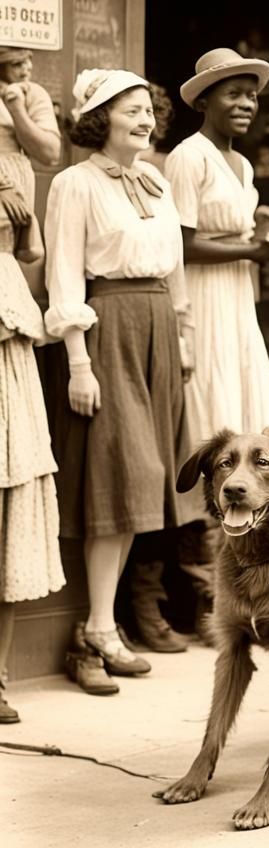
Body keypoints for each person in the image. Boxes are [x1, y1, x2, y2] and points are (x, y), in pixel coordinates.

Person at [44, 69, 195, 694]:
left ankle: (105, 624)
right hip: (108, 330)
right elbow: (63, 275)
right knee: (120, 476)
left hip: (159, 330)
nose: (144, 120)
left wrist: (182, 341)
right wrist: (79, 361)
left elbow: (176, 268)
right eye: (130, 110)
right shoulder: (74, 184)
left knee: (150, 480)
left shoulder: (156, 180)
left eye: (148, 109)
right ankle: (99, 628)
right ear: (100, 119)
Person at [165, 48, 269, 443]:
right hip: (202, 293)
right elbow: (180, 244)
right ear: (204, 101)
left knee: (240, 381)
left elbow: (237, 232)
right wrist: (252, 252)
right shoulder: (188, 156)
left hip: (237, 290)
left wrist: (264, 240)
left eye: (251, 96)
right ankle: (203, 497)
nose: (245, 104)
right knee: (210, 387)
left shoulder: (243, 163)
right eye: (233, 94)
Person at [0, 199, 65, 724]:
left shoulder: (12, 171)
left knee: (11, 515)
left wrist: (24, 216)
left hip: (11, 365)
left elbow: (31, 251)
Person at [0, 46, 61, 263]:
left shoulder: (32, 94)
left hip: (17, 191)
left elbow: (50, 152)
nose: (27, 68)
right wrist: (1, 186)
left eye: (29, 60)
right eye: (17, 64)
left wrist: (16, 108)